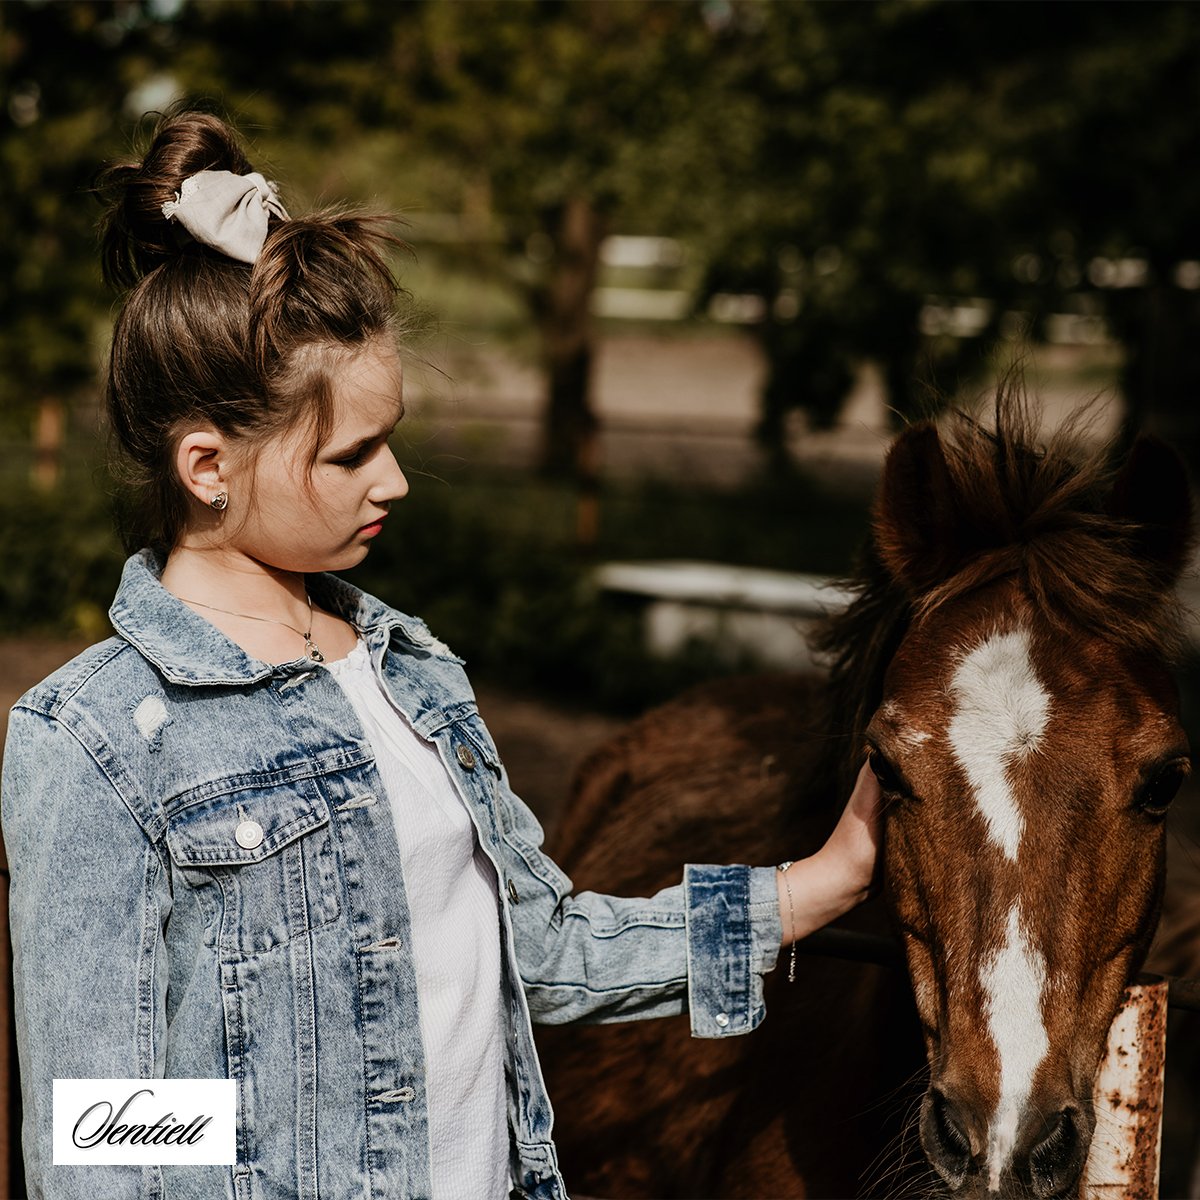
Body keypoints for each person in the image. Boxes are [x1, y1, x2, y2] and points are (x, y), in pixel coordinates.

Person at [1, 108, 881, 1200]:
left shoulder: (409, 669)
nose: (396, 479)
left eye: (395, 436)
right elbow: (101, 1132)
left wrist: (809, 887)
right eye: (353, 452)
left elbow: (546, 954)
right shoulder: (92, 740)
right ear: (206, 466)